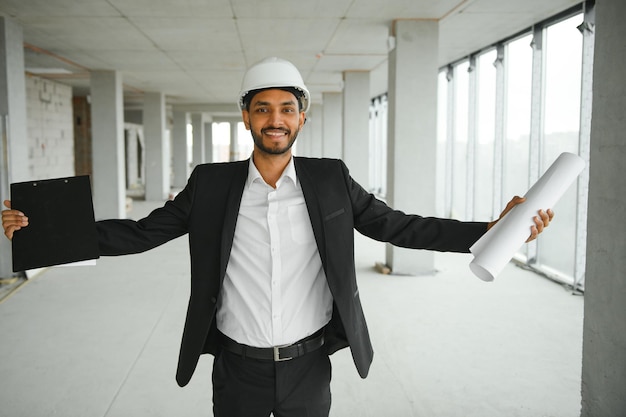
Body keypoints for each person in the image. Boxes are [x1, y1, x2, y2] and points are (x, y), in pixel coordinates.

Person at [1, 57, 553, 417]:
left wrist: (492, 227)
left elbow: (399, 226)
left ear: (301, 119)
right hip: (236, 367)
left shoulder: (331, 178)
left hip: (309, 365)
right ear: (245, 118)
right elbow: (143, 232)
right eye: (262, 108)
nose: (275, 118)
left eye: (286, 109)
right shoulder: (211, 183)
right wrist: (42, 229)